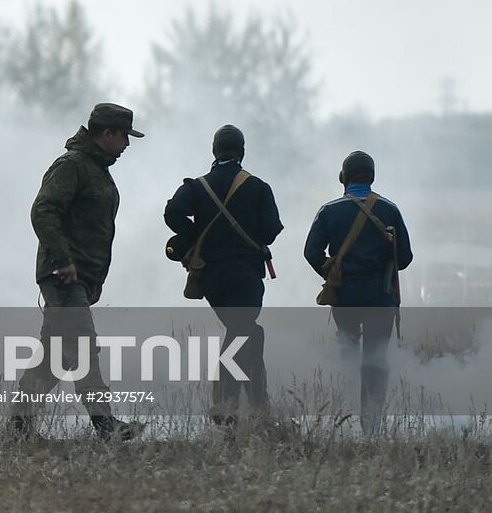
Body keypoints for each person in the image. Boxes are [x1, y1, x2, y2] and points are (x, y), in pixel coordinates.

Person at [14, 103, 143, 441]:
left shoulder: (96, 169)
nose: (127, 145)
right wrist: (62, 260)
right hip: (62, 276)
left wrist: (93, 279)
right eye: (124, 137)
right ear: (107, 134)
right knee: (84, 345)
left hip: (78, 278)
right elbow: (43, 210)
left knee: (54, 357)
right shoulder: (72, 166)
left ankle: (18, 426)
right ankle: (105, 426)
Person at [163, 124, 283, 424]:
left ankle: (259, 408)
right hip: (245, 275)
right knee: (243, 332)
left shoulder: (197, 186)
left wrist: (194, 236)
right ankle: (225, 403)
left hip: (211, 279)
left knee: (248, 333)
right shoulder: (258, 187)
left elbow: (172, 212)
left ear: (214, 151)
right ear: (241, 152)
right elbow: (270, 231)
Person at [304, 150, 413, 437]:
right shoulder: (390, 210)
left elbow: (311, 252)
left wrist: (332, 274)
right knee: (376, 360)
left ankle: (346, 417)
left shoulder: (329, 211)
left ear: (344, 177)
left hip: (345, 297)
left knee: (349, 354)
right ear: (372, 177)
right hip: (380, 297)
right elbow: (405, 259)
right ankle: (371, 426)